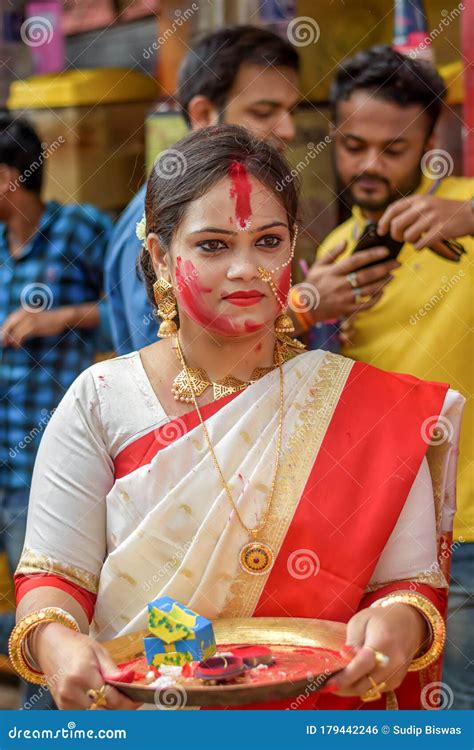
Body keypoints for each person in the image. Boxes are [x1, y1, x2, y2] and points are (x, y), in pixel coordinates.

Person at [9, 126, 464, 711]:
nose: (247, 269)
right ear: (160, 258)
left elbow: (407, 585)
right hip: (145, 717)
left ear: (294, 247)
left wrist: (398, 626)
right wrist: (58, 645)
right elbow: (56, 581)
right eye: (214, 246)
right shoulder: (100, 400)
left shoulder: (364, 405)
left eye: (269, 242)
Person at [303, 46, 473, 708]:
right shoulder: (339, 249)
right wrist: (313, 312)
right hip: (386, 535)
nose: (370, 165)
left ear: (433, 141)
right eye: (353, 145)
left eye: (393, 148)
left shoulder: (461, 210)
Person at [105, 25, 396, 355]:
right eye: (264, 112)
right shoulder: (152, 221)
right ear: (203, 113)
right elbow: (172, 361)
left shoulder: (259, 202)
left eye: (270, 241)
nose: (287, 130)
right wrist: (305, 307)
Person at [0, 113, 112, 705]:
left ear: (9, 178)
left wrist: (57, 318)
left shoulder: (79, 230)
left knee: (47, 618)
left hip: (47, 471)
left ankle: (47, 727)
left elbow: (138, 304)